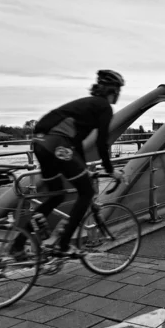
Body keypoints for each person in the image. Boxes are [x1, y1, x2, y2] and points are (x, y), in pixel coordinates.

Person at [11, 70, 125, 258]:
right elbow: (101, 142)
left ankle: (18, 245)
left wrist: (83, 169)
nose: (118, 95)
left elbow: (77, 143)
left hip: (41, 144)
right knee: (87, 192)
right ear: (114, 90)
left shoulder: (86, 105)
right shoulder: (103, 106)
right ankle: (63, 245)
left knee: (57, 195)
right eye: (118, 90)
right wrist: (111, 170)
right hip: (58, 145)